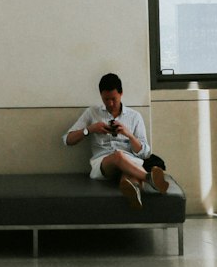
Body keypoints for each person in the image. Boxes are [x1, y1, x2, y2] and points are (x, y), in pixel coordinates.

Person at [62, 72, 169, 210]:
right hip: (104, 163)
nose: (110, 103)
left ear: (121, 94)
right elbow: (67, 140)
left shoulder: (134, 116)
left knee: (128, 176)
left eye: (114, 99)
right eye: (106, 99)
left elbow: (145, 153)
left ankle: (134, 191)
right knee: (118, 156)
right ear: (100, 95)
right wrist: (90, 129)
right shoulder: (92, 113)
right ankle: (149, 178)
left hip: (131, 160)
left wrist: (128, 134)